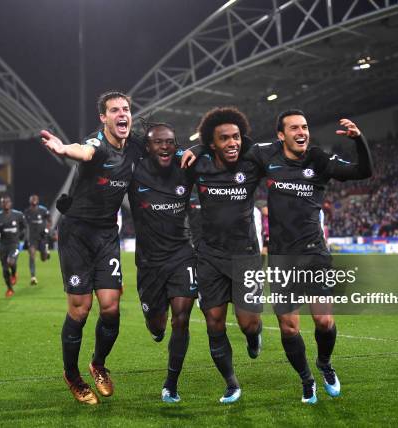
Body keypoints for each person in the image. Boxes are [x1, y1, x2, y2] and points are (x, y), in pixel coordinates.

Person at [244, 109, 373, 404]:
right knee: (289, 327)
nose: (301, 132)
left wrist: (359, 140)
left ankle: (325, 364)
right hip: (281, 259)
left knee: (324, 322)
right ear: (281, 135)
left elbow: (363, 171)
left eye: (304, 127)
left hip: (315, 254)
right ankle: (306, 380)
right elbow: (232, 150)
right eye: (294, 128)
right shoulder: (266, 156)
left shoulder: (319, 159)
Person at [40, 91, 146, 405]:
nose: (122, 114)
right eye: (114, 110)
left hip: (106, 235)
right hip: (76, 234)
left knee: (111, 307)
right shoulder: (97, 144)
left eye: (125, 109)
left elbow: (163, 147)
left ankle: (98, 365)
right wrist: (62, 148)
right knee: (81, 309)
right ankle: (72, 376)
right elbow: (83, 151)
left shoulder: (136, 145)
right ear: (103, 117)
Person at [185, 107, 264, 404]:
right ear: (212, 143)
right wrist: (196, 147)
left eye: (236, 137)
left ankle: (255, 336)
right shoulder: (198, 165)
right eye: (224, 138)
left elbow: (267, 149)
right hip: (209, 256)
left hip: (247, 257)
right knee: (214, 322)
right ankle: (231, 383)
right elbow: (170, 158)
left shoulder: (252, 162)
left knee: (249, 324)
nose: (232, 143)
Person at [128, 122, 197, 403]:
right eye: (159, 142)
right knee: (157, 326)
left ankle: (171, 383)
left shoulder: (185, 168)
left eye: (170, 142)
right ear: (148, 147)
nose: (165, 147)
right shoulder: (135, 171)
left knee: (181, 319)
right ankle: (155, 327)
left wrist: (195, 148)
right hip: (149, 263)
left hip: (182, 255)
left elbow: (214, 151)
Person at [0, 196, 27, 298]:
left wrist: (23, 236)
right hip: (3, 245)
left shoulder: (18, 215)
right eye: (3, 202)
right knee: (5, 269)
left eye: (7, 202)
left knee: (11, 261)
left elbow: (25, 227)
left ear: (10, 203)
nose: (6, 204)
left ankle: (14, 274)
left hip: (14, 244)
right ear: (1, 204)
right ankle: (10, 289)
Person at [24, 195, 51, 285]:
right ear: (30, 200)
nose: (34, 200)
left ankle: (46, 252)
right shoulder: (27, 212)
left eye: (35, 199)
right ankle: (33, 277)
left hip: (42, 237)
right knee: (32, 255)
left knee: (43, 258)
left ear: (38, 200)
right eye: (33, 199)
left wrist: (47, 230)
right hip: (32, 238)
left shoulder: (43, 210)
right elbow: (24, 224)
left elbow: (49, 220)